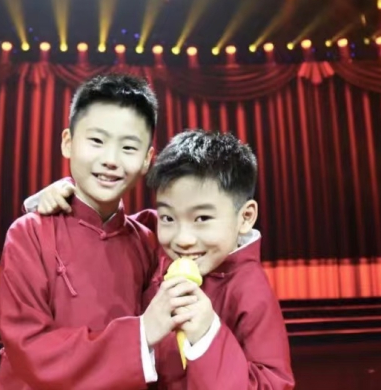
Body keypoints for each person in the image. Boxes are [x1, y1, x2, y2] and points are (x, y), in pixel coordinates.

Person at [29, 130, 295, 389]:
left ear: (245, 217)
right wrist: (65, 201)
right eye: (168, 217)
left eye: (202, 218)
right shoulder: (153, 239)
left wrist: (207, 334)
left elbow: (273, 383)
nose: (182, 239)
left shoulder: (250, 291)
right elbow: (106, 230)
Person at [0, 74, 202, 390]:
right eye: (96, 141)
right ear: (68, 142)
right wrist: (141, 333)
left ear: (147, 159)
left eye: (128, 147)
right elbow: (28, 347)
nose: (110, 160)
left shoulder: (147, 241)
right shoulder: (29, 234)